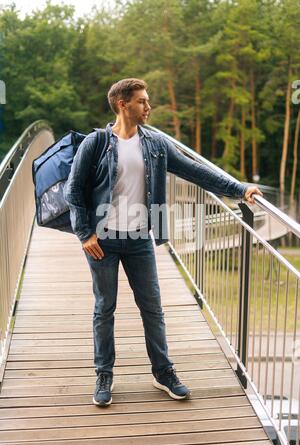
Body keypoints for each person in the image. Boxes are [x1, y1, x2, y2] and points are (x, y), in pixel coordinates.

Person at [64, 78, 263, 407]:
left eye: (148, 100)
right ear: (122, 104)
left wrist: (238, 188)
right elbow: (74, 192)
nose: (148, 106)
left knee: (153, 309)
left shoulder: (155, 143)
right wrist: (85, 233)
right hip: (104, 241)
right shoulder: (96, 143)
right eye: (142, 101)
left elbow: (195, 171)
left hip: (141, 237)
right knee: (105, 309)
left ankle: (163, 372)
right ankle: (104, 374)